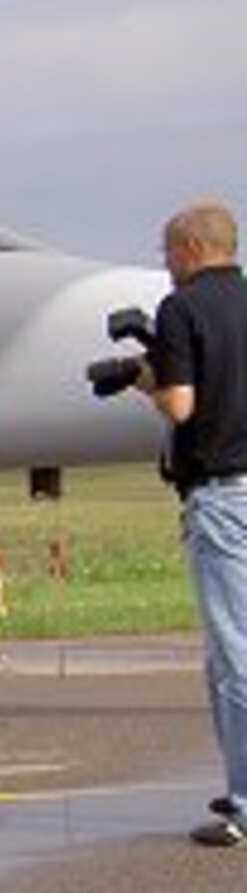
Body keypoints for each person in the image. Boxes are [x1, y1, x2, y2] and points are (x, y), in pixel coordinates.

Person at [137, 204, 247, 847]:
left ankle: (243, 802)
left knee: (233, 655)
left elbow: (180, 404)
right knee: (226, 657)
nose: (165, 262)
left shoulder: (180, 310)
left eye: (167, 251)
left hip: (221, 496)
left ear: (190, 248)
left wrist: (139, 382)